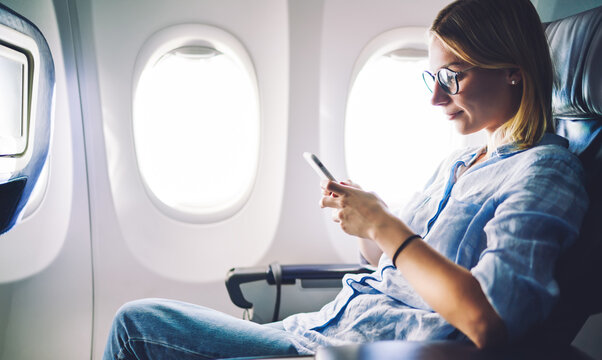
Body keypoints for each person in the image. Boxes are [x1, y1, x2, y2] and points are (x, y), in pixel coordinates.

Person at [103, 0, 588, 358]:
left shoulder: (545, 172)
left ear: (512, 72)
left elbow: (490, 320)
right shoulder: (462, 162)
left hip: (367, 349)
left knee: (136, 329)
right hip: (326, 327)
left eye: (452, 77)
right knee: (139, 320)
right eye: (432, 78)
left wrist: (385, 228)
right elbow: (395, 266)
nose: (436, 100)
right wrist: (366, 223)